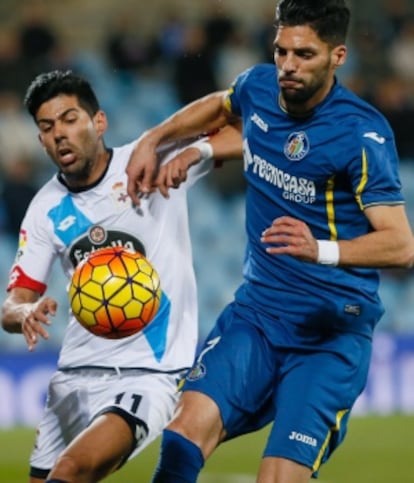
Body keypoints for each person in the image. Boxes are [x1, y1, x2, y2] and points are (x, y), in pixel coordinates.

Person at [125, 1, 414, 482]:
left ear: (337, 56)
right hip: (258, 315)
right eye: (281, 52)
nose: (288, 66)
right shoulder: (260, 85)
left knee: (277, 478)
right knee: (181, 436)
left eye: (304, 54)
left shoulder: (360, 133)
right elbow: (226, 107)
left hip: (329, 336)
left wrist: (319, 248)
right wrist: (160, 140)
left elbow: (402, 245)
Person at [0, 70, 236, 483]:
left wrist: (191, 154)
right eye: (47, 127)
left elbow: (246, 130)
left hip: (148, 374)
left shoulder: (148, 158)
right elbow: (12, 305)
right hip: (72, 375)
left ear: (99, 121)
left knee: (72, 471)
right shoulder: (44, 208)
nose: (60, 134)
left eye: (70, 119)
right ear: (39, 140)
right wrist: (25, 313)